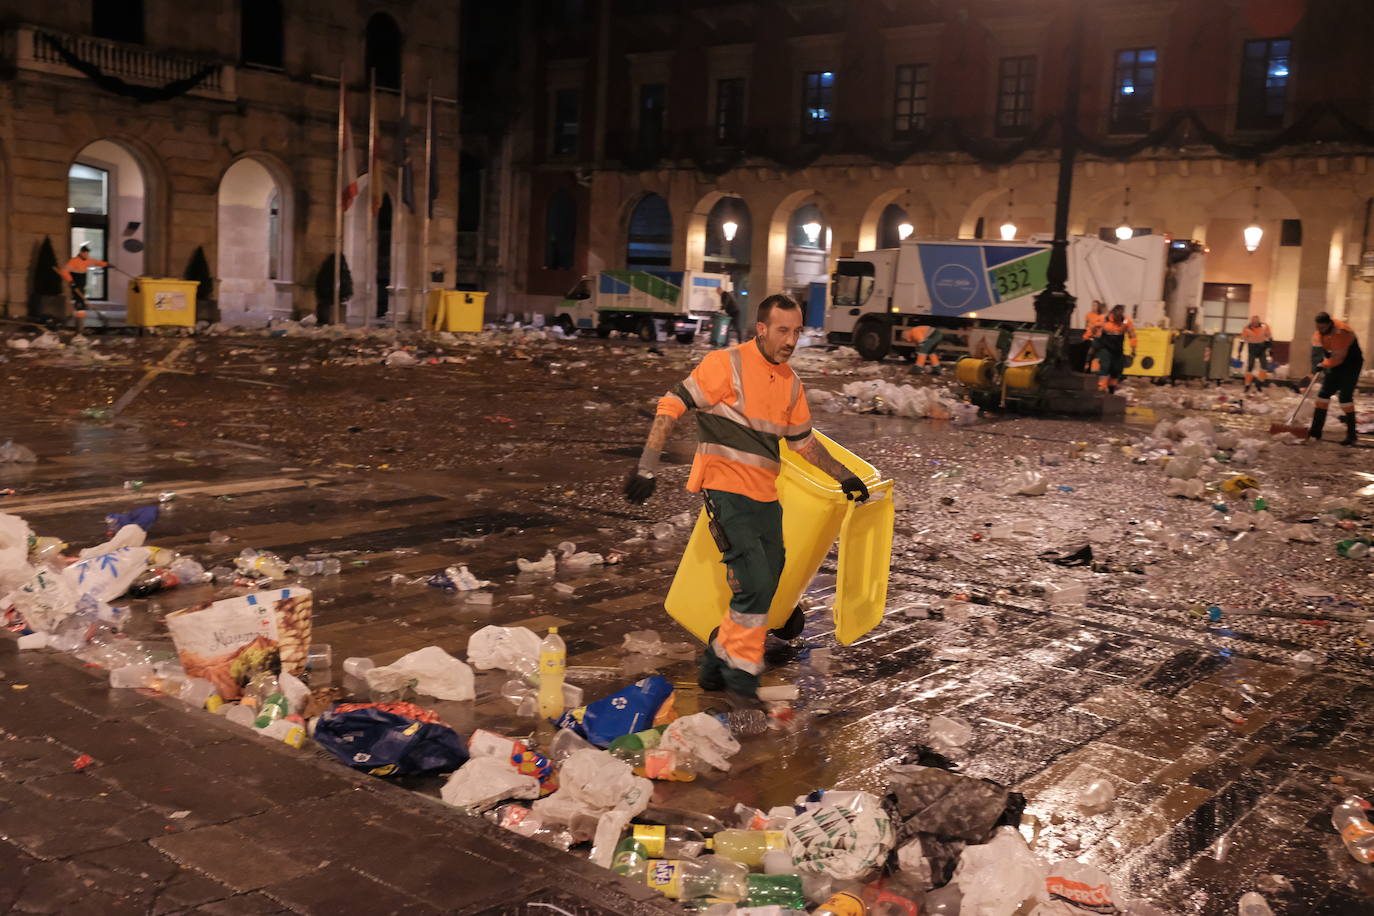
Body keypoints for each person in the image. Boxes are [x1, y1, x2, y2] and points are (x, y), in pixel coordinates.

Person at [623, 293, 870, 698]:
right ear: (761, 329)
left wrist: (846, 477)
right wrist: (646, 465)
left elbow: (803, 444)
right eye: (782, 330)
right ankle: (741, 680)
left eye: (797, 331)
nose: (791, 340)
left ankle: (716, 663)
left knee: (768, 582)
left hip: (766, 497)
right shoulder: (727, 365)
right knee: (753, 585)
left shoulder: (791, 384)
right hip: (726, 492)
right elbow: (672, 402)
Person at [1309, 311, 1364, 446]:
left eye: (1322, 328)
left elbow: (1338, 359)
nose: (1319, 330)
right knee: (1323, 395)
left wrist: (1323, 364)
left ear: (1329, 324)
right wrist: (1318, 363)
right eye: (1318, 327)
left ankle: (1351, 435)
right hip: (1335, 362)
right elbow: (1319, 350)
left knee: (1345, 398)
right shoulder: (1320, 332)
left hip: (1351, 365)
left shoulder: (1342, 333)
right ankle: (1315, 432)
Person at [1095, 304, 1136, 394]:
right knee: (1105, 367)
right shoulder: (1104, 319)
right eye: (1117, 316)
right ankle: (1101, 388)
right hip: (1105, 348)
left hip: (1117, 350)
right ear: (1113, 313)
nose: (1118, 318)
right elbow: (1094, 330)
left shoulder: (1126, 321)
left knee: (1116, 370)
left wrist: (1133, 349)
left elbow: (1132, 335)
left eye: (1120, 316)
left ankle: (1111, 389)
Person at [1237, 315, 1273, 392]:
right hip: (1252, 349)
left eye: (1257, 322)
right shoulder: (1246, 329)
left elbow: (1269, 338)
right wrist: (1239, 352)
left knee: (1264, 367)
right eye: (1254, 322)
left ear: (1259, 321)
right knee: (1250, 367)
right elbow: (1242, 341)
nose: (1255, 324)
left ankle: (1259, 383)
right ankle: (1247, 385)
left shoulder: (1264, 326)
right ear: (1251, 322)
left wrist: (1270, 349)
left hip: (1262, 349)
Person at [1081, 300, 1107, 372]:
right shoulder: (1088, 315)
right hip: (1088, 337)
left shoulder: (1102, 316)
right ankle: (1086, 367)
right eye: (1092, 305)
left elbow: (1101, 326)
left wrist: (1095, 327)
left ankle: (1093, 368)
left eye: (1095, 305)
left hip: (1097, 338)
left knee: (1093, 353)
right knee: (1087, 352)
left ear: (1099, 307)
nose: (1093, 307)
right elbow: (1086, 325)